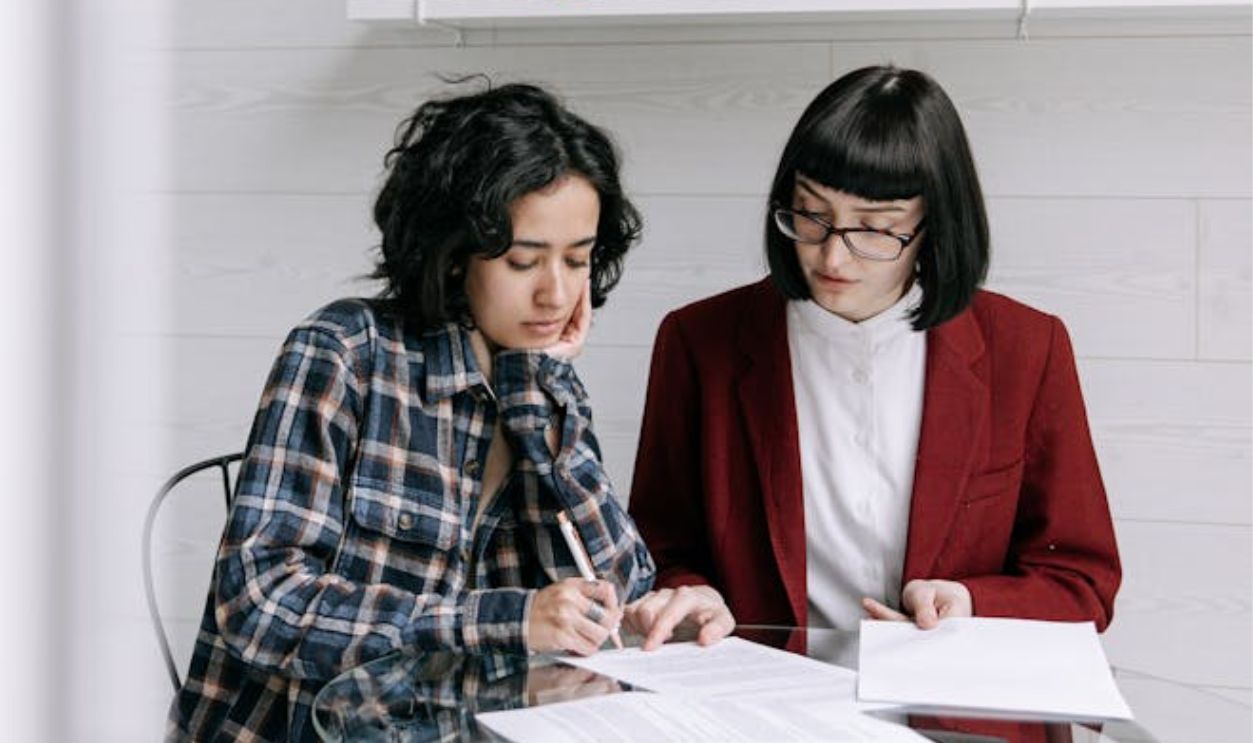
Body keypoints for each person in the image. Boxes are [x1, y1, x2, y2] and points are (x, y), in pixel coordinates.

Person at [168, 82, 663, 742]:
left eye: (577, 258)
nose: (556, 291)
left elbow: (616, 594)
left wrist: (538, 392)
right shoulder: (344, 351)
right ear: (454, 253)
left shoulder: (544, 386)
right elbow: (260, 600)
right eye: (523, 260)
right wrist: (500, 619)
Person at [625, 66, 1121, 653]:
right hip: (764, 706)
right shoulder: (698, 341)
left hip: (952, 712)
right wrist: (687, 592)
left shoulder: (1027, 348)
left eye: (876, 229)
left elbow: (1083, 582)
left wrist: (971, 604)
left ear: (934, 225)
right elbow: (659, 549)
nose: (833, 255)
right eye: (811, 215)